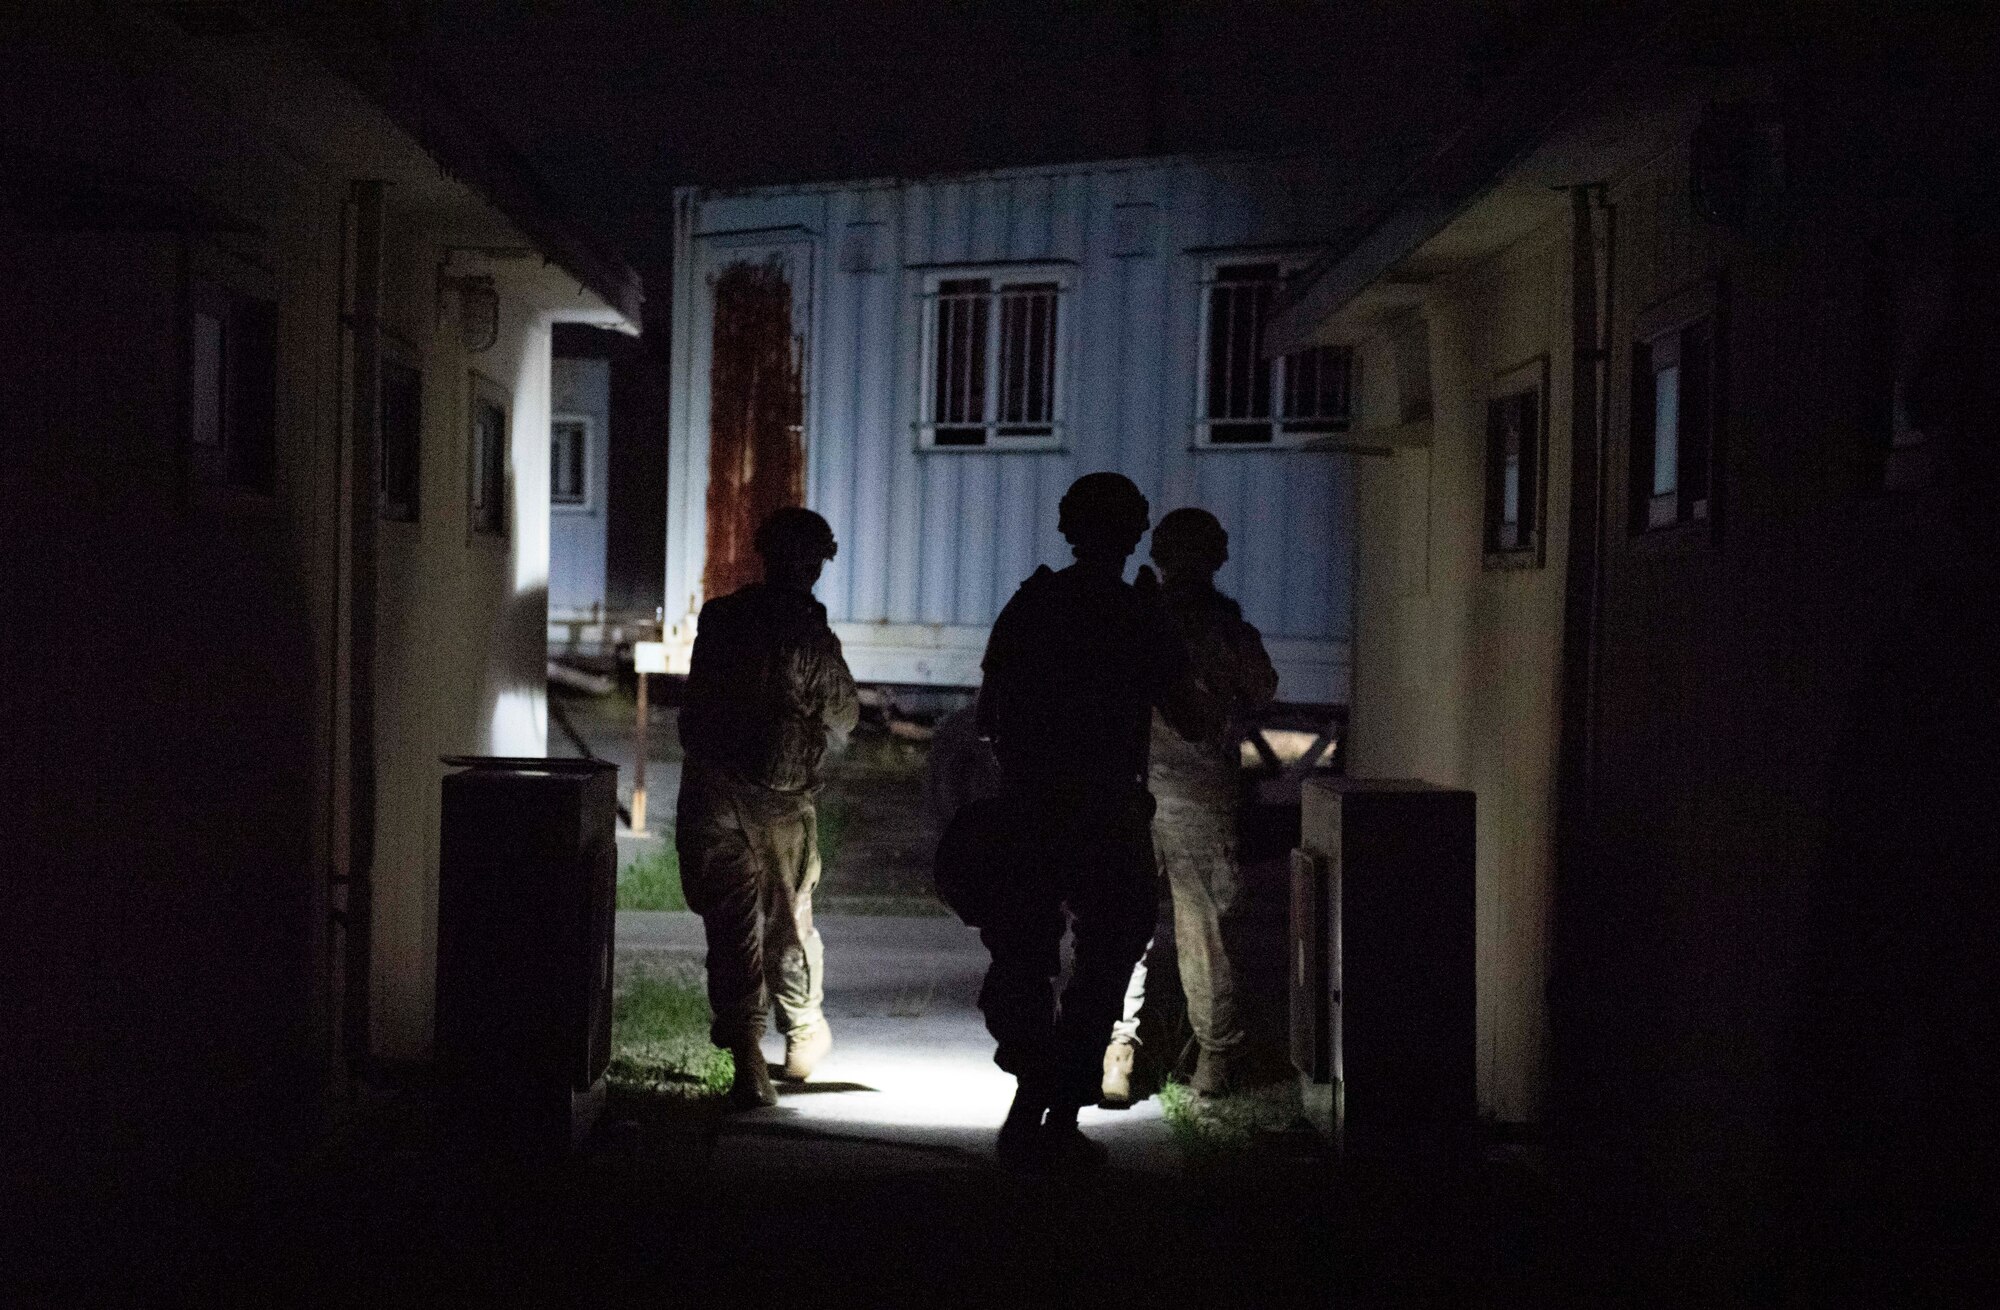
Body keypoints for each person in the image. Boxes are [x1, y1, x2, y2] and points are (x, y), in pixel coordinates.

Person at [975, 472, 1218, 1168]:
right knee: (1107, 957)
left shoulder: (1031, 604)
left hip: (1031, 808)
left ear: (1067, 528)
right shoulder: (1137, 614)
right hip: (1107, 812)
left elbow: (990, 717)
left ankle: (1030, 1098)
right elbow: (1193, 720)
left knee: (1023, 955)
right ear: (1136, 533)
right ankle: (1060, 1114)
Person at [676, 506, 859, 1108]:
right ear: (814, 563)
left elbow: (698, 701)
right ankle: (802, 1033)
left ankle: (748, 1061)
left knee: (730, 927)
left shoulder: (722, 617)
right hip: (776, 801)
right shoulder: (807, 629)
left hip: (710, 791)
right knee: (789, 923)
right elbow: (843, 712)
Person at [1103, 508, 1278, 1104]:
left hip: (1127, 790)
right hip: (1200, 795)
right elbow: (1261, 688)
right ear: (1216, 557)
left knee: (1123, 925)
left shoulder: (1132, 617)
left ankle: (1116, 1056)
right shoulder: (1224, 627)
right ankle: (1214, 1059)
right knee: (1205, 931)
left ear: (1156, 554)